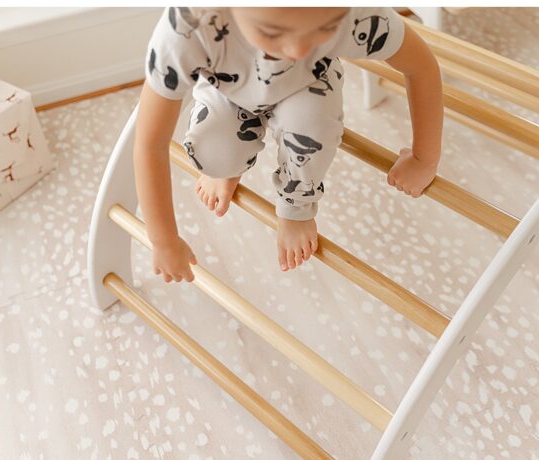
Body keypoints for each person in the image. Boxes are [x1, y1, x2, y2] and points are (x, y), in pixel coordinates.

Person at [134, 7, 443, 277]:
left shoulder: (353, 12)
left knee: (314, 127)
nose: (296, 50)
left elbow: (422, 67)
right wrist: (163, 241)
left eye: (326, 28)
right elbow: (150, 144)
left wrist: (424, 159)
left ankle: (297, 205)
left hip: (308, 83)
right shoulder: (187, 27)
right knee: (211, 153)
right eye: (272, 32)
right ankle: (227, 167)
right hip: (231, 85)